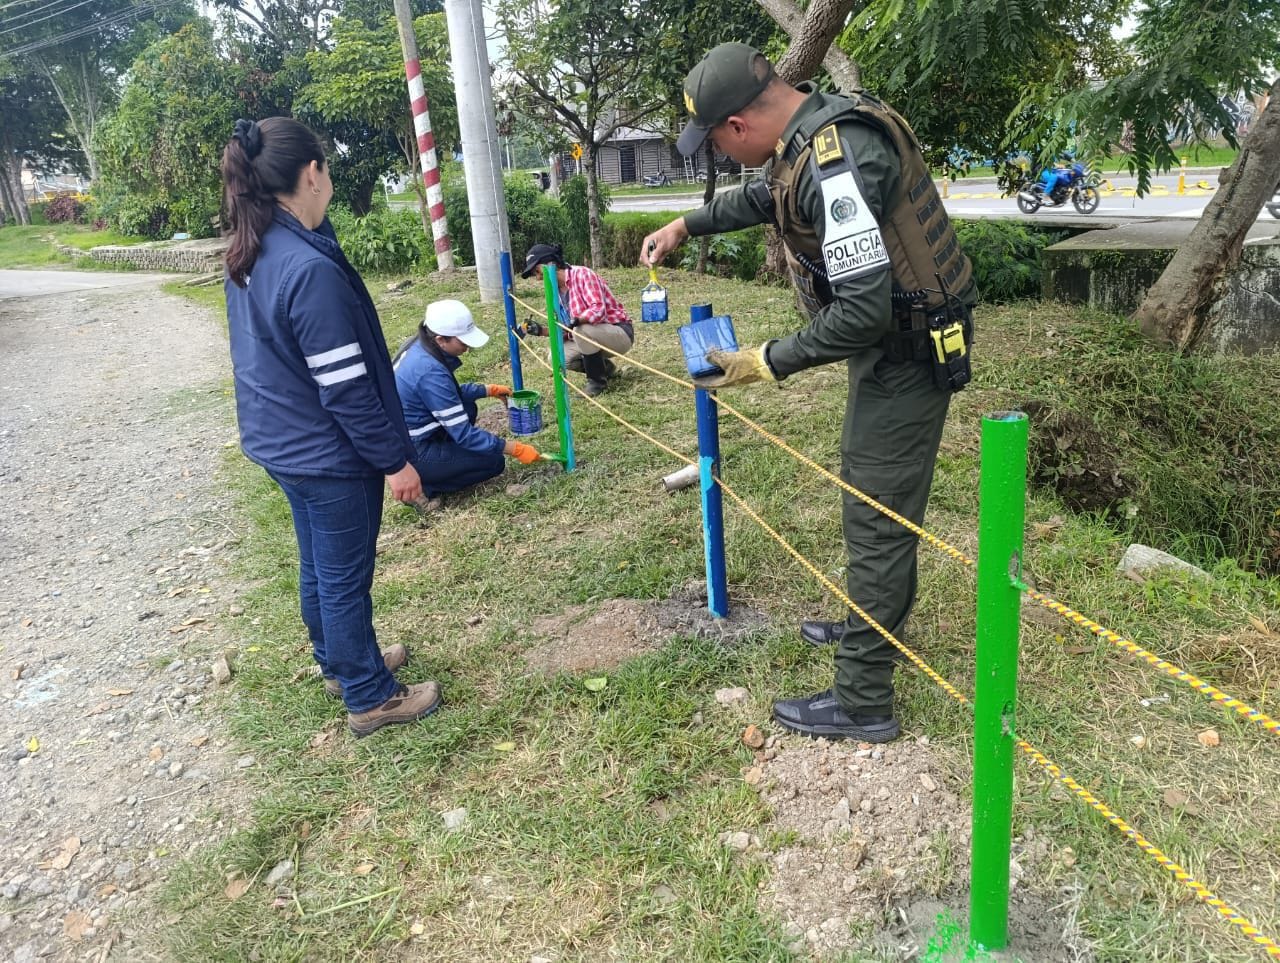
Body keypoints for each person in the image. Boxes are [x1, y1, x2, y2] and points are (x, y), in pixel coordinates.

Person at [641, 43, 977, 744]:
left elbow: (861, 312)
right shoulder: (811, 130)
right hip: (893, 348)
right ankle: (870, 625)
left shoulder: (838, 160)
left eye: (718, 145)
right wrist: (685, 223)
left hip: (907, 355)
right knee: (868, 492)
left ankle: (863, 698)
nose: (727, 160)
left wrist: (765, 360)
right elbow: (768, 195)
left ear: (738, 126)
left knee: (877, 515)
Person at [220, 116, 442, 738]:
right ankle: (370, 696)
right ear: (312, 173)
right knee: (344, 575)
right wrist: (394, 463)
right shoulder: (306, 269)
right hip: (325, 451)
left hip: (280, 442)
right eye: (328, 169)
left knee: (320, 563)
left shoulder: (254, 247)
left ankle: (341, 664)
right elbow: (344, 389)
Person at [393, 299, 541, 503]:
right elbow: (463, 434)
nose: (467, 348)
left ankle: (444, 459)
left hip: (407, 434)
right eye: (463, 343)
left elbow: (445, 394)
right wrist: (514, 448)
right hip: (411, 452)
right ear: (441, 339)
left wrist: (487, 390)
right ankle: (423, 487)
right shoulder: (429, 371)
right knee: (493, 462)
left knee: (468, 407)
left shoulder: (420, 345)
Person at [520, 243, 634, 396]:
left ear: (550, 264)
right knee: (557, 357)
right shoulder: (555, 291)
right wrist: (541, 331)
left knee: (582, 329)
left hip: (618, 333)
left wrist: (577, 321)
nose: (538, 278)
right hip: (588, 336)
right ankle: (605, 369)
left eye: (537, 271)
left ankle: (597, 382)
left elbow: (598, 311)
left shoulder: (582, 274)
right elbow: (567, 330)